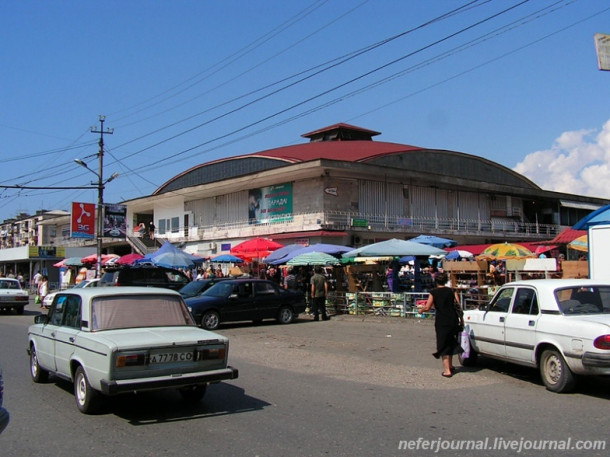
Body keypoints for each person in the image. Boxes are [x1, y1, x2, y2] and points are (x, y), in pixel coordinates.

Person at [418, 272, 463, 378]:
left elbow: (428, 307)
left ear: (436, 281)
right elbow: (458, 306)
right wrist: (462, 320)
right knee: (451, 341)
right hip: (453, 320)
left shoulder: (434, 292)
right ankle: (451, 366)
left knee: (443, 344)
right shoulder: (452, 291)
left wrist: (421, 310)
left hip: (442, 321)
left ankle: (447, 371)